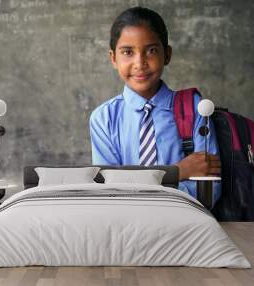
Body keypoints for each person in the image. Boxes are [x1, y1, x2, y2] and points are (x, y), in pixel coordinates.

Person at [89, 6, 221, 205]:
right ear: (113, 58)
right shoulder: (104, 119)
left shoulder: (195, 108)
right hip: (128, 229)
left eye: (151, 50)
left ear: (167, 55)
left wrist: (136, 187)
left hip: (185, 226)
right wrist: (178, 172)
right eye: (127, 52)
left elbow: (208, 192)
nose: (140, 62)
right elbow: (110, 193)